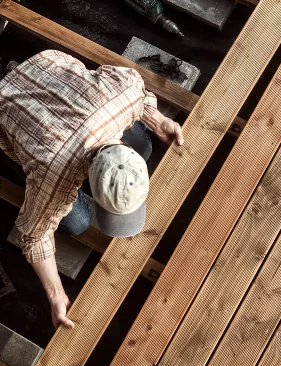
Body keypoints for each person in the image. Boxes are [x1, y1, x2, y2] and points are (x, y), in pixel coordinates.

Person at [0, 50, 184, 329]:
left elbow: (138, 96)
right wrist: (56, 295)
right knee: (78, 222)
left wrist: (159, 122)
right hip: (7, 103)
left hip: (45, 66)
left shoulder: (124, 95)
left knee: (144, 146)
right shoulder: (55, 173)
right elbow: (34, 237)